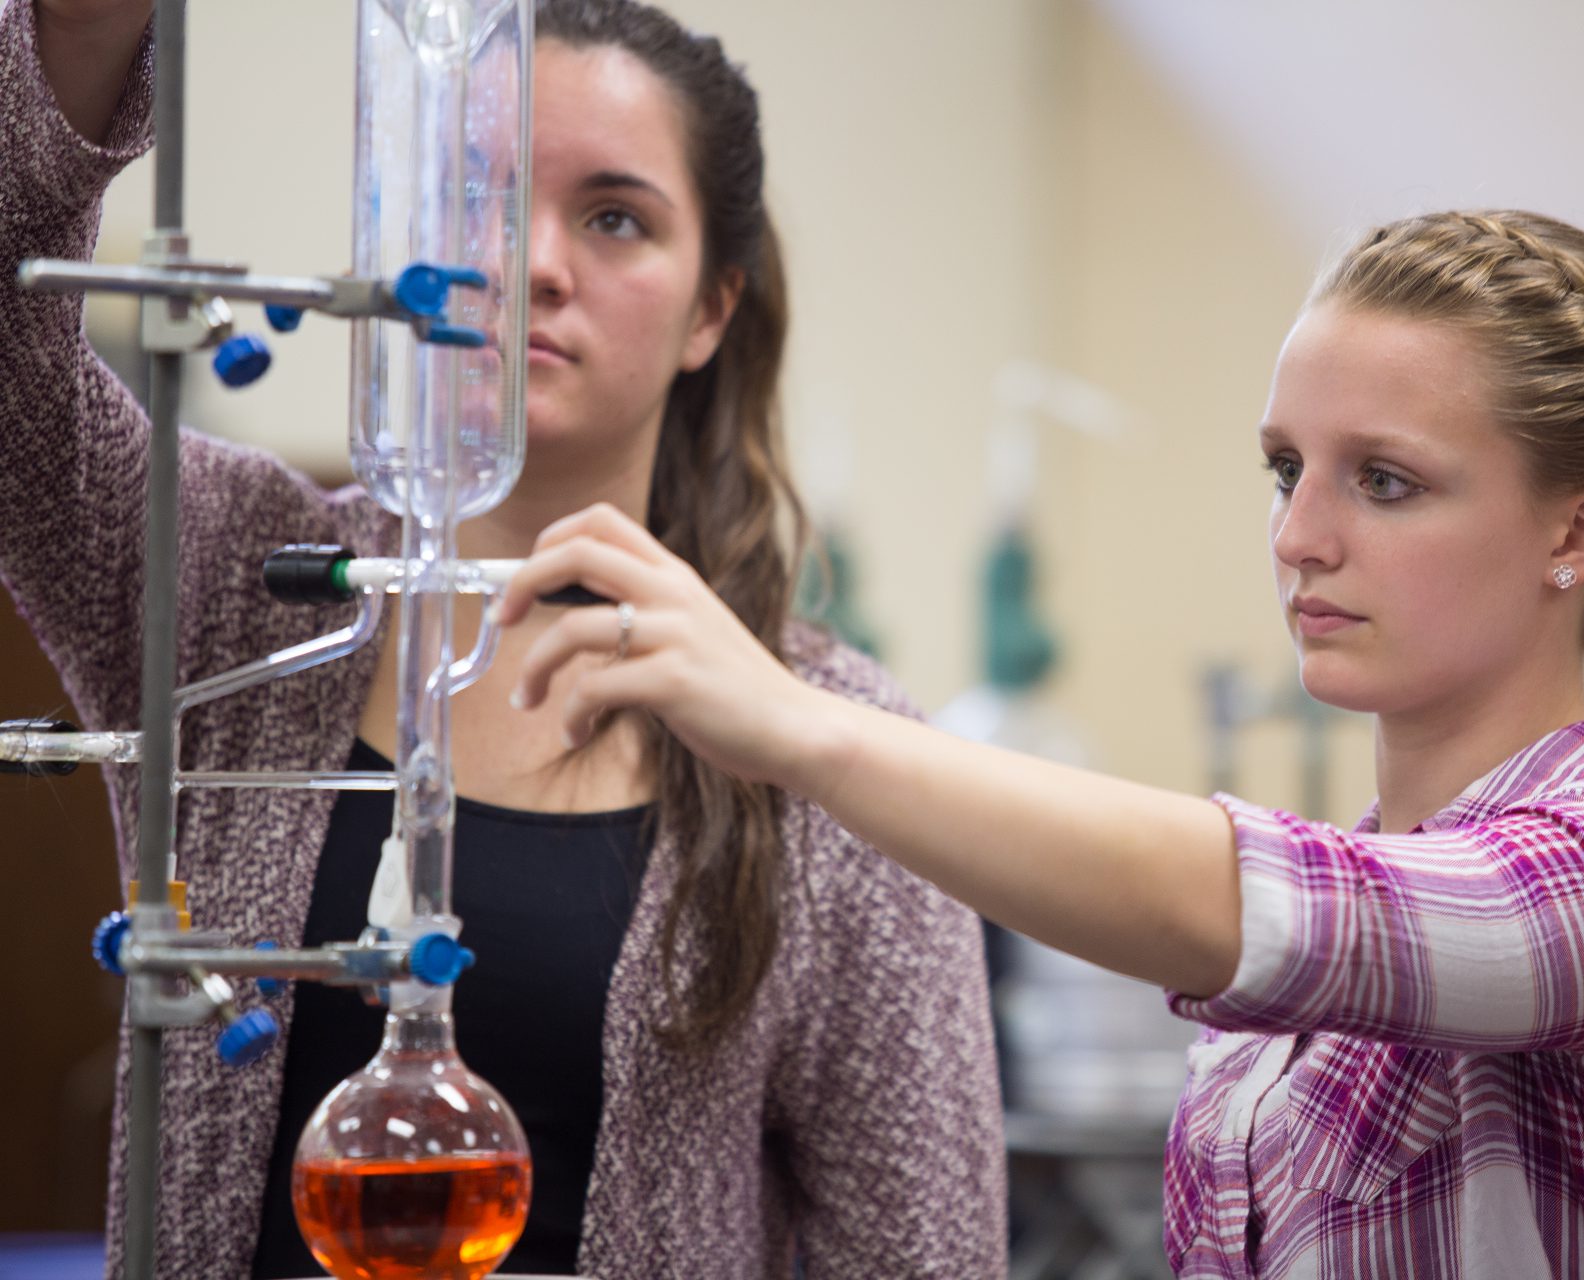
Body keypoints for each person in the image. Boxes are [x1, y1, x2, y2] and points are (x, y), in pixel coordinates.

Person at [491, 210, 1584, 1278]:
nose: (1299, 538)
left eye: (1385, 481)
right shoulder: (1278, 997)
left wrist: (799, 728)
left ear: (1579, 534)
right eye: (1289, 470)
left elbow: (1266, 909)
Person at [0, 1, 1005, 1276]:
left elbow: (924, 1250)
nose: (531, 261)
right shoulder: (230, 579)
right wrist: (81, 32)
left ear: (713, 309)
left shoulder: (830, 754)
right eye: (477, 194)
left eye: (615, 216)